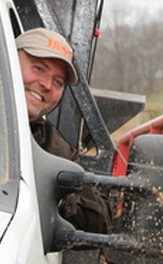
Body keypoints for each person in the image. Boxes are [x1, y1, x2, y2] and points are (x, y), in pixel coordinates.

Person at [15, 27, 112, 234]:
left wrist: (57, 195)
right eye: (38, 68)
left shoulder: (51, 145)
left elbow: (100, 221)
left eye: (58, 81)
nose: (47, 85)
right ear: (9, 59)